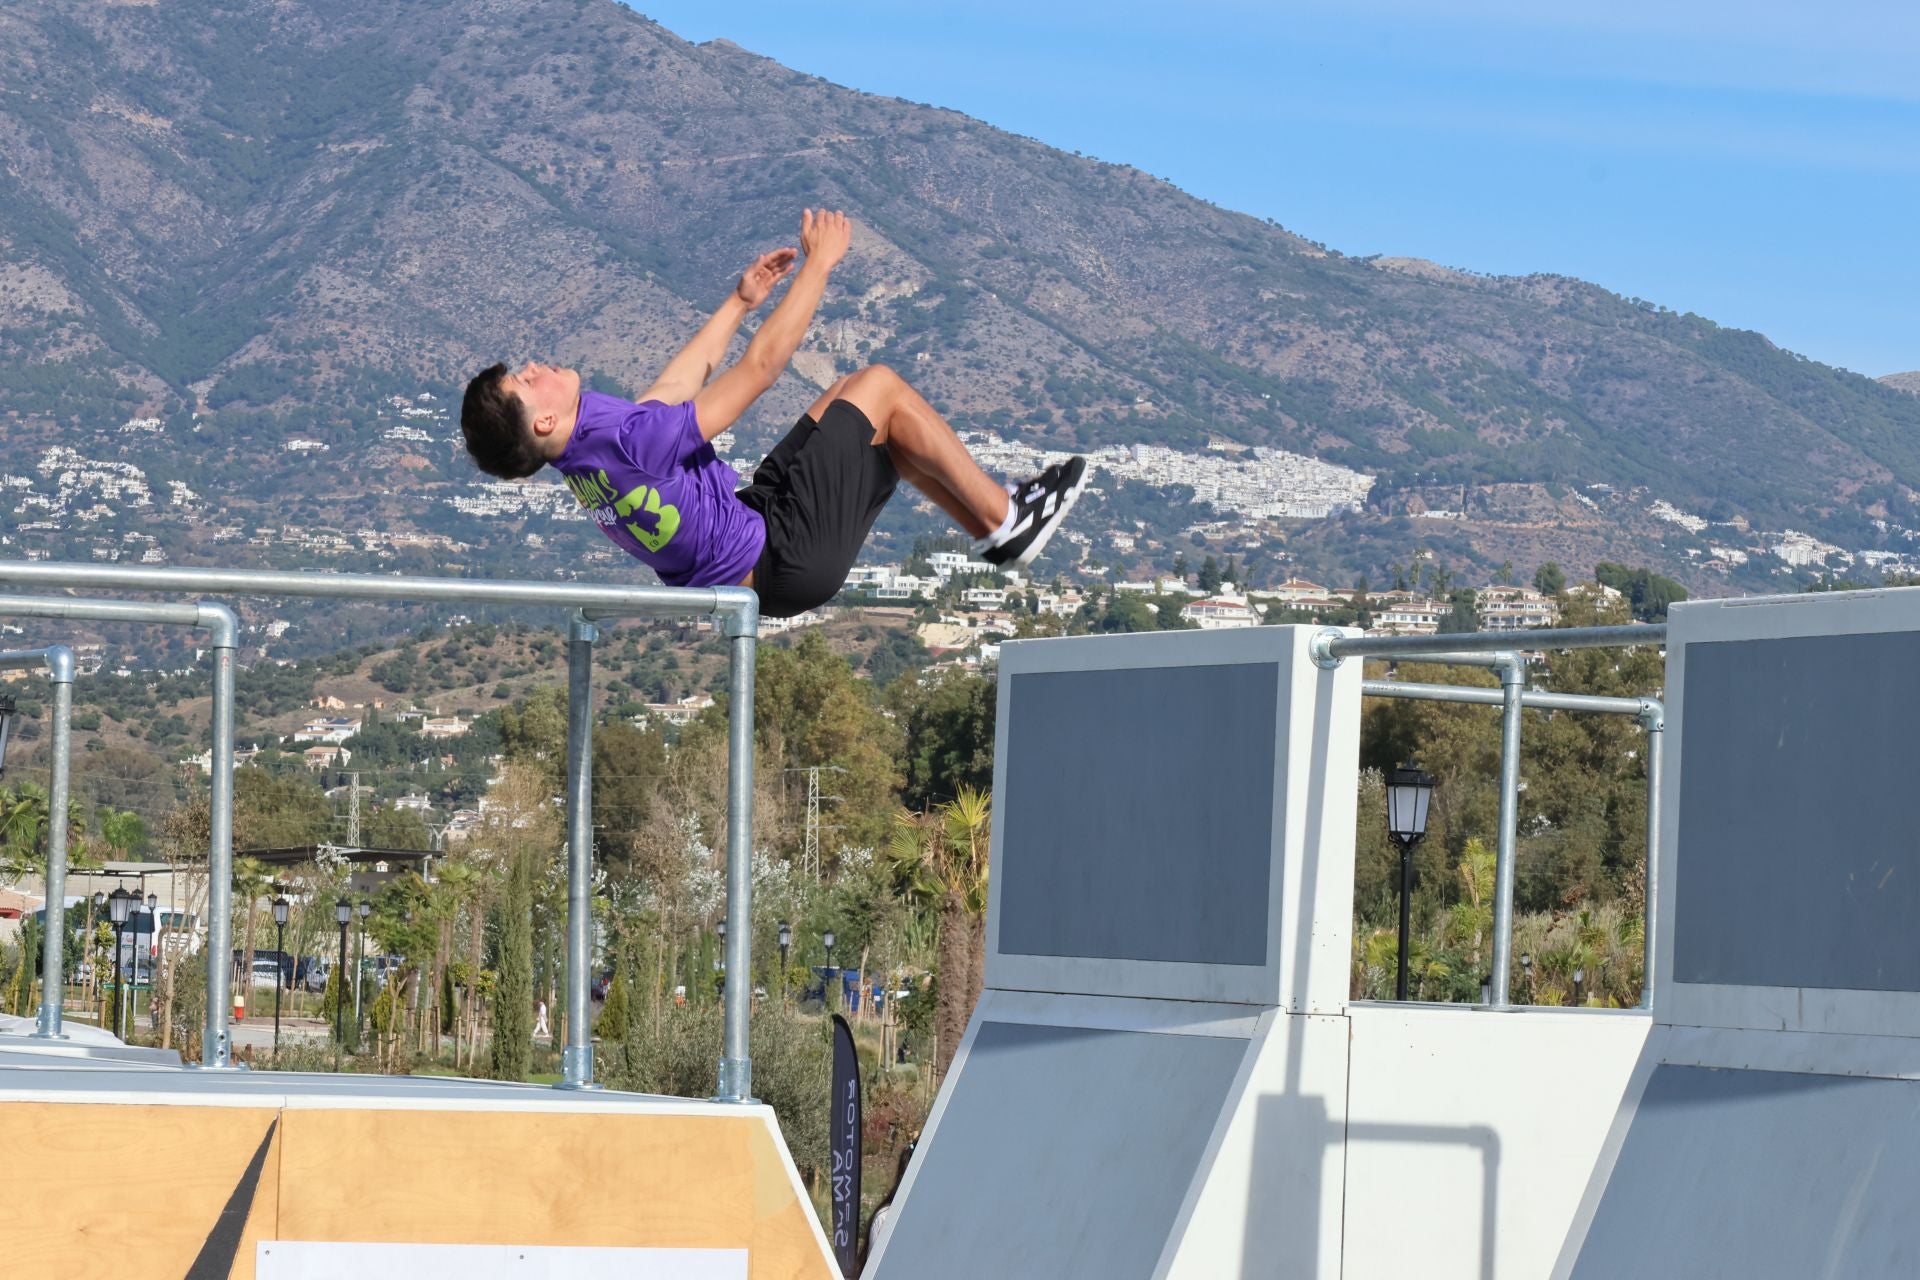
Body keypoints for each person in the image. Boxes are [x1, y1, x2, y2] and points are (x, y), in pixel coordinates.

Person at [459, 209, 1087, 618]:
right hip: (781, 557)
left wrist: (740, 301)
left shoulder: (588, 454)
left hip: (755, 528)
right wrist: (820, 265)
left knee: (860, 409)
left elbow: (671, 388)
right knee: (879, 386)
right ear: (542, 421)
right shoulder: (625, 444)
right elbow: (760, 371)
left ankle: (993, 532)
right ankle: (1007, 519)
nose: (536, 367)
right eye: (526, 381)